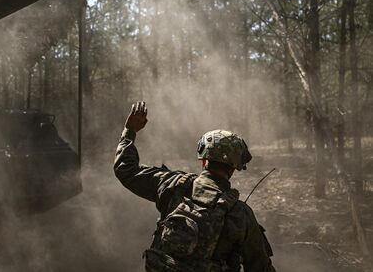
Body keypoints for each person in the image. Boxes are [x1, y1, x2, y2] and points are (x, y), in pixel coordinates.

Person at [114, 101, 275, 272]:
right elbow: (260, 267)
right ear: (234, 168)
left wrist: (129, 131)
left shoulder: (173, 184)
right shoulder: (240, 214)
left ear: (204, 160)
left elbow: (126, 170)